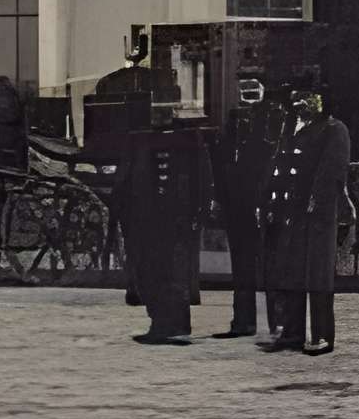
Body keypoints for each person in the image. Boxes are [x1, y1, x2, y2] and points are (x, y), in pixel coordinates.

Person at [260, 83, 351, 355]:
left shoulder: (334, 130)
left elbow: (332, 171)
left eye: (308, 98)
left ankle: (322, 335)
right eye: (297, 99)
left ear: (321, 100)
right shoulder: (294, 130)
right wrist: (271, 201)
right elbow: (280, 167)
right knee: (291, 272)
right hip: (291, 211)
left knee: (318, 276)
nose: (301, 104)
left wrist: (316, 201)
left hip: (318, 213)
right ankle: (291, 334)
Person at [116, 91, 212, 346]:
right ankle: (160, 321)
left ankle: (174, 323)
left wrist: (199, 213)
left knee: (174, 273)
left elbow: (202, 180)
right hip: (148, 217)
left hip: (176, 217)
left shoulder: (189, 142)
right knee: (152, 271)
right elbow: (126, 180)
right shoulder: (140, 141)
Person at [209, 75, 279, 340]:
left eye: (252, 90)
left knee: (270, 263)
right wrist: (220, 197)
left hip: (261, 201)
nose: (247, 96)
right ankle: (243, 320)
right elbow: (222, 162)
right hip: (237, 202)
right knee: (242, 265)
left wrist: (266, 200)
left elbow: (271, 164)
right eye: (244, 90)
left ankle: (276, 321)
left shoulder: (272, 121)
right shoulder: (233, 122)